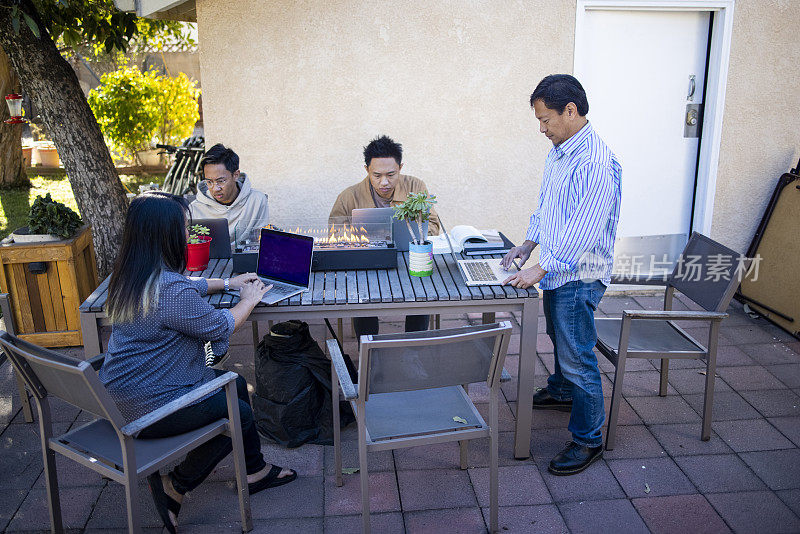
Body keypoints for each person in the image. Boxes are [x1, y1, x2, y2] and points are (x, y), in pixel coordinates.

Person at [99, 191, 295, 533]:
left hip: (118, 394)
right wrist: (247, 298)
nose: (188, 233)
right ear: (166, 235)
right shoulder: (171, 292)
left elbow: (183, 285)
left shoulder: (129, 276)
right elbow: (222, 324)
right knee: (238, 414)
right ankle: (175, 485)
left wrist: (227, 282)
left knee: (232, 383)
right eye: (185, 227)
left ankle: (254, 471)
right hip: (147, 409)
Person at [501, 74, 622, 476]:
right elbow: (548, 207)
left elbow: (582, 231)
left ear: (571, 111)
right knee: (559, 336)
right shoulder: (561, 150)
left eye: (546, 119)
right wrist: (528, 244)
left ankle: (589, 438)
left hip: (580, 274)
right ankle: (561, 391)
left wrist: (541, 267)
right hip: (557, 268)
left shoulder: (596, 163)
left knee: (577, 354)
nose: (542, 129)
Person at [329, 135, 438, 337]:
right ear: (366, 170)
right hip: (367, 262)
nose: (384, 182)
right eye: (377, 175)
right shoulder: (349, 196)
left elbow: (432, 225)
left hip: (408, 259)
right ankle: (368, 347)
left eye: (391, 174)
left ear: (401, 168)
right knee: (362, 294)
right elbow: (334, 233)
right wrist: (360, 239)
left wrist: (415, 238)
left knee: (422, 291)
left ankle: (414, 345)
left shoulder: (416, 187)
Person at [190, 143, 269, 248]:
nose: (215, 188)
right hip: (209, 263)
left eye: (221, 181)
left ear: (236, 175)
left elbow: (260, 241)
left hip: (245, 261)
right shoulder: (194, 209)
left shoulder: (257, 201)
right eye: (209, 182)